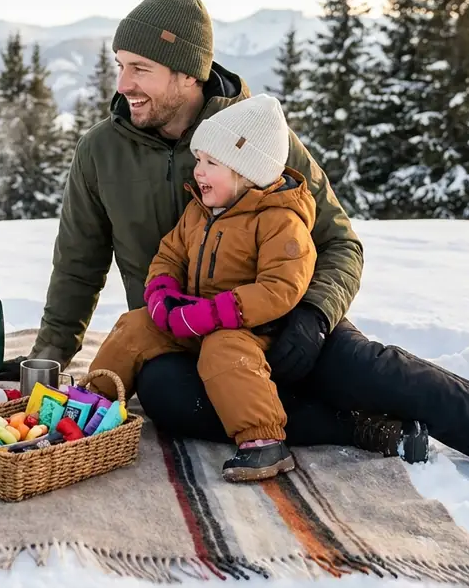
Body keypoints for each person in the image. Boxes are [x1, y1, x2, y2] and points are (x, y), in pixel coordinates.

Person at [20, 0, 469, 494]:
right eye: (120, 66)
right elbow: (78, 266)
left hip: (283, 317)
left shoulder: (258, 138)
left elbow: (341, 243)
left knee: (369, 368)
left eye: (138, 68)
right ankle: (358, 428)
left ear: (187, 73)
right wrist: (42, 369)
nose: (122, 86)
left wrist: (315, 315)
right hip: (183, 335)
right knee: (168, 398)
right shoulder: (101, 151)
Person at [89, 93, 328, 482]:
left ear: (246, 171)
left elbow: (280, 287)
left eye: (211, 163)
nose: (198, 171)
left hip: (252, 329)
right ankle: (91, 408)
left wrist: (217, 313)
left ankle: (263, 441)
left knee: (224, 350)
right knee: (133, 326)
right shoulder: (200, 210)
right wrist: (162, 291)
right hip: (194, 317)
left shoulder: (280, 220)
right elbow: (171, 253)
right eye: (199, 159)